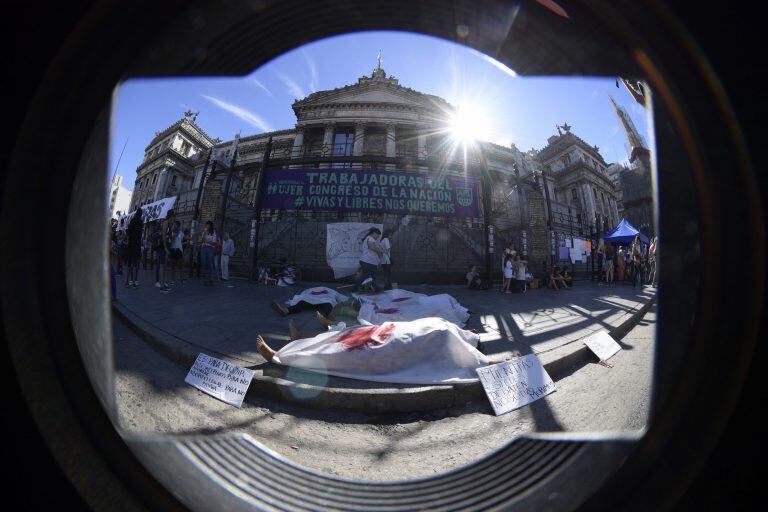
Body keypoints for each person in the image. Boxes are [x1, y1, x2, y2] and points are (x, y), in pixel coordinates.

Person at [255, 317, 516, 385]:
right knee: (348, 335)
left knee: (349, 351)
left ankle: (282, 357)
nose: (473, 331)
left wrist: (502, 362)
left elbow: (475, 362)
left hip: (397, 343)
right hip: (395, 331)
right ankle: (299, 342)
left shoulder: (453, 337)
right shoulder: (449, 327)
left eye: (475, 334)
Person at [270, 287, 350, 319]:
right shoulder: (330, 290)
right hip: (321, 300)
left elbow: (301, 295)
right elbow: (344, 299)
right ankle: (284, 311)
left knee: (301, 303)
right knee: (302, 303)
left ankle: (285, 311)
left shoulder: (330, 290)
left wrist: (294, 300)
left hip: (315, 300)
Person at [356, 227, 384, 292]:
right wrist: (382, 251)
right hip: (368, 262)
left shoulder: (369, 238)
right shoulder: (370, 238)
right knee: (367, 276)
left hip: (369, 262)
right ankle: (357, 287)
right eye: (377, 235)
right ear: (374, 233)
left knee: (371, 276)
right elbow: (372, 247)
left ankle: (375, 289)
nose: (378, 237)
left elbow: (373, 249)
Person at [125, 211, 144, 288]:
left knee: (129, 263)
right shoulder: (141, 222)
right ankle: (134, 282)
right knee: (136, 264)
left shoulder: (132, 221)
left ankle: (127, 281)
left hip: (131, 244)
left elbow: (128, 233)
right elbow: (141, 233)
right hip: (137, 245)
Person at [199, 221, 218, 286]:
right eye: (206, 225)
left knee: (210, 263)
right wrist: (204, 234)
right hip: (204, 247)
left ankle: (211, 279)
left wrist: (207, 241)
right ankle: (205, 280)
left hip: (211, 248)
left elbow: (214, 243)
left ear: (210, 225)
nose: (206, 226)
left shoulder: (214, 232)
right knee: (203, 263)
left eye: (207, 225)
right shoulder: (204, 231)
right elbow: (202, 240)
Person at [168, 220, 185, 284]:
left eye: (175, 225)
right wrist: (173, 236)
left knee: (180, 266)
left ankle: (182, 279)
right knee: (172, 266)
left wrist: (190, 238)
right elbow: (170, 240)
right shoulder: (171, 232)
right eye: (173, 225)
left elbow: (183, 239)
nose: (174, 226)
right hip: (172, 250)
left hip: (179, 250)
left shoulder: (181, 233)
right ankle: (173, 280)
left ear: (178, 226)